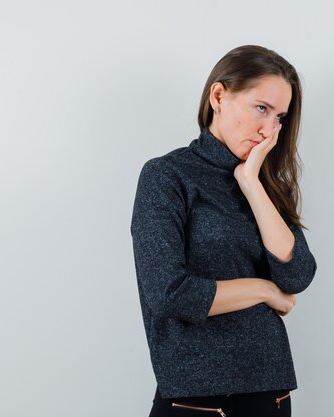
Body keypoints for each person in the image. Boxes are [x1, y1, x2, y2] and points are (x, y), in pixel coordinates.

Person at [130, 45, 317, 417]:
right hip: (197, 401)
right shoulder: (167, 176)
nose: (270, 128)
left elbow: (296, 274)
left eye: (279, 116)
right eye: (261, 108)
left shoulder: (265, 184)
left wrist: (251, 183)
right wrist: (263, 290)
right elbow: (170, 294)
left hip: (272, 394)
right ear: (218, 96)